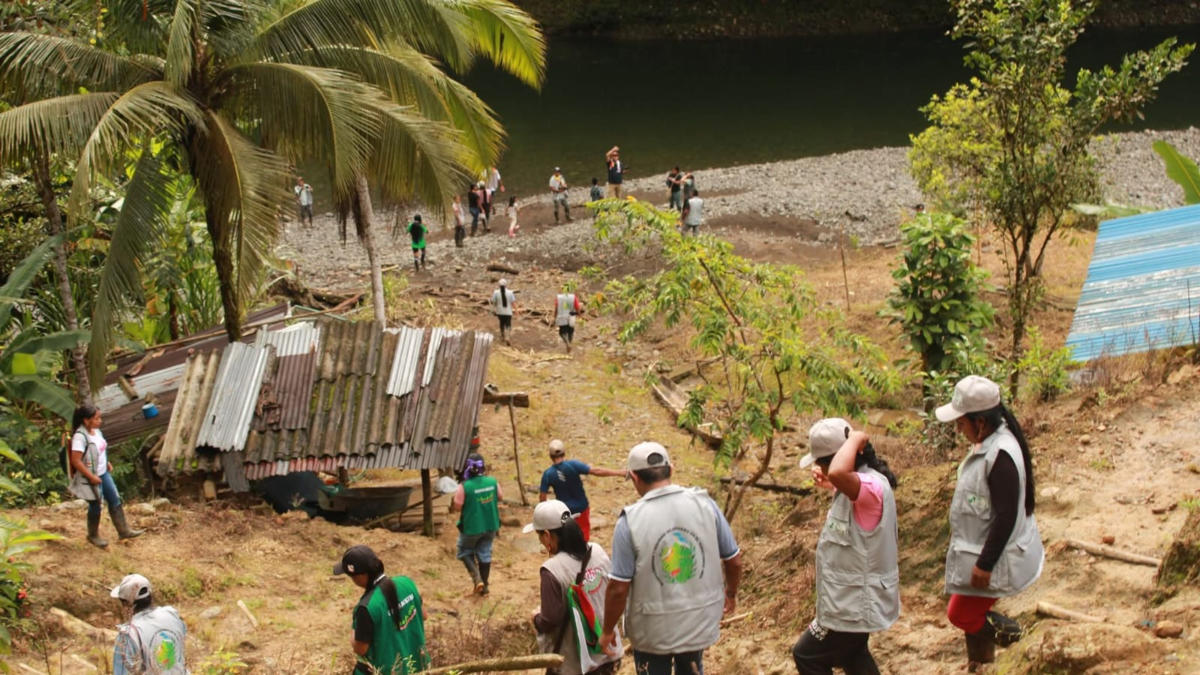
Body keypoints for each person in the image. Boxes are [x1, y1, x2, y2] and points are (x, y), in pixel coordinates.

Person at [600, 442, 743, 675]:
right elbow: (734, 560)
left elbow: (618, 588)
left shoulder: (629, 522)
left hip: (651, 631)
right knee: (692, 668)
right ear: (671, 469)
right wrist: (731, 593)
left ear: (634, 477)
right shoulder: (706, 505)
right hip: (697, 622)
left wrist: (607, 630)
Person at [937, 375, 1043, 673]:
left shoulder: (1000, 455)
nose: (959, 430)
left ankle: (1019, 638)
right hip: (984, 549)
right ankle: (981, 663)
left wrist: (985, 563)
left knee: (960, 614)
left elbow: (1007, 514)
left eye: (961, 423)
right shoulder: (993, 441)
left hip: (997, 557)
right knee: (971, 611)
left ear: (980, 422)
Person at [792, 419, 900, 675]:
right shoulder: (861, 484)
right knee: (853, 655)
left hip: (855, 604)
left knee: (806, 654)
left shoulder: (871, 486)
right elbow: (844, 482)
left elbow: (842, 475)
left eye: (822, 462)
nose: (819, 468)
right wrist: (830, 482)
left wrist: (856, 439)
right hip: (853, 601)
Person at [527, 500, 624, 675]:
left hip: (575, 664)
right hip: (608, 653)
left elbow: (550, 620)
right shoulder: (598, 551)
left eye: (539, 536)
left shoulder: (552, 570)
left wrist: (536, 618)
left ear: (547, 535)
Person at [335, 545, 430, 675]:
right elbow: (424, 615)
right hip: (419, 666)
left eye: (351, 576)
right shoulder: (407, 583)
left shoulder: (366, 607)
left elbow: (361, 649)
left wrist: (354, 631)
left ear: (361, 576)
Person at [68, 404, 143, 548]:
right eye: (96, 418)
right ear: (86, 420)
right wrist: (91, 476)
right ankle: (93, 535)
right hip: (92, 476)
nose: (100, 421)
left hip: (103, 473)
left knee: (114, 499)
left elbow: (99, 450)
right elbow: (76, 461)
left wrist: (107, 462)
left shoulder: (97, 432)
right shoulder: (80, 437)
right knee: (96, 505)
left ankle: (123, 530)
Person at [538, 439, 628, 542]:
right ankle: (583, 554)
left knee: (566, 538)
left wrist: (544, 518)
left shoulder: (548, 474)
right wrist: (619, 472)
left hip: (564, 512)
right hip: (581, 509)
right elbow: (597, 471)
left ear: (550, 456)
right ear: (564, 453)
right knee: (583, 536)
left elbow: (542, 498)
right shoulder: (573, 465)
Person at [110, 574, 187, 675]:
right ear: (150, 596)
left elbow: (121, 672)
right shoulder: (171, 614)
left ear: (126, 605)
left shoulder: (128, 634)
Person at [451, 452, 503, 595]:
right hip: (491, 524)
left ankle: (477, 579)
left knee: (464, 551)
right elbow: (500, 497)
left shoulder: (464, 486)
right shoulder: (492, 482)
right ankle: (484, 586)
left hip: (472, 527)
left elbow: (457, 506)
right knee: (485, 552)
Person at [554, 288, 582, 354]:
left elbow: (556, 308)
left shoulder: (558, 298)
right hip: (571, 317)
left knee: (562, 333)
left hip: (562, 317)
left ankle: (567, 343)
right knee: (571, 331)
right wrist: (579, 314)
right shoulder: (573, 297)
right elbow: (577, 307)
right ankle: (569, 344)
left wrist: (555, 316)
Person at [491, 279, 517, 345]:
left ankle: (502, 336)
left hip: (499, 311)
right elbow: (513, 302)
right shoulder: (510, 292)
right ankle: (507, 337)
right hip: (508, 312)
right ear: (506, 285)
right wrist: (516, 310)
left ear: (499, 285)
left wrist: (493, 309)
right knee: (508, 324)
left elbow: (493, 302)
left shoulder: (496, 292)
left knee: (502, 323)